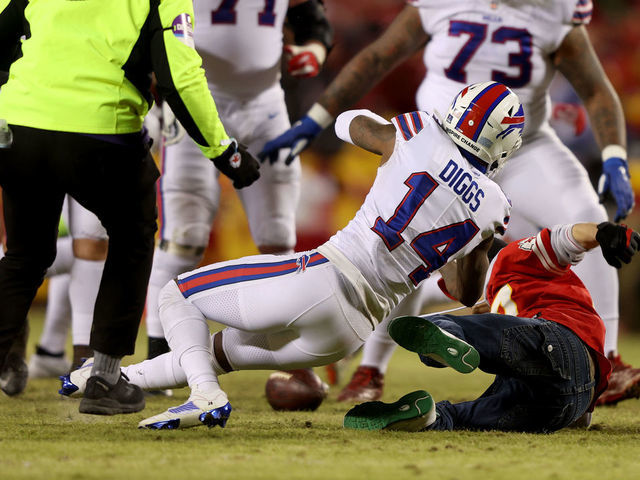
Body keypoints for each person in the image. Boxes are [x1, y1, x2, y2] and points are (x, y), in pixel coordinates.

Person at [61, 81, 521, 429]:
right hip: (350, 332)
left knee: (176, 293)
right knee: (216, 351)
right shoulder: (495, 206)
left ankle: (205, 397)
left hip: (326, 276)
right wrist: (476, 245)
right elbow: (464, 288)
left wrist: (374, 129)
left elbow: (351, 124)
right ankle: (116, 377)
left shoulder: (419, 130)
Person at [260, 0, 637, 405]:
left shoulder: (554, 9)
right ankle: (372, 367)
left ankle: (608, 362)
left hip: (523, 149)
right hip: (442, 145)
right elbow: (376, 57)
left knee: (592, 222)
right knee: (409, 249)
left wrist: (615, 155)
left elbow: (596, 88)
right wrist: (316, 117)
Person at [0, 0, 259, 414]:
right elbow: (180, 78)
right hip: (101, 132)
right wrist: (224, 152)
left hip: (18, 127)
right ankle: (103, 377)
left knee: (24, 255)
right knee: (134, 236)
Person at [144, 0, 333, 364]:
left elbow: (310, 12)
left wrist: (314, 46)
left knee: (278, 239)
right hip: (196, 98)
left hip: (266, 105)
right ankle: (159, 354)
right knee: (183, 237)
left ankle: (291, 356)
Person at [343, 221, 639, 432]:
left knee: (443, 325)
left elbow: (566, 238)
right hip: (568, 403)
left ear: (473, 256)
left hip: (558, 340)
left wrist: (601, 231)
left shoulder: (512, 256)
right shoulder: (496, 296)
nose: (450, 280)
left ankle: (452, 336)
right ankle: (431, 417)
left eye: (450, 267)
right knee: (467, 414)